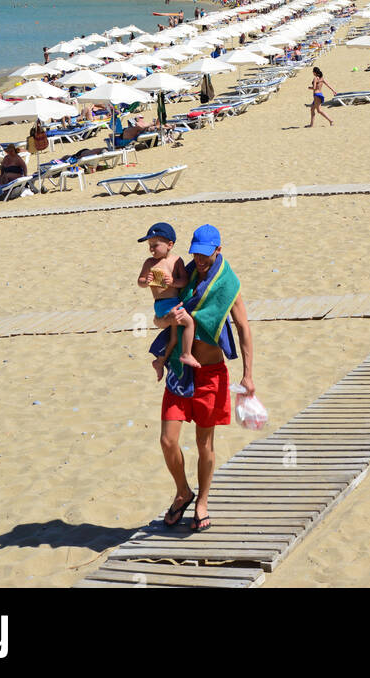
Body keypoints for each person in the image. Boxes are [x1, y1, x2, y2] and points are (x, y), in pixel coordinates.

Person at [156, 224, 254, 533]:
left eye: (205, 255)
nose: (199, 260)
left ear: (218, 251)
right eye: (195, 253)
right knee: (168, 440)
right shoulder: (182, 274)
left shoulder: (229, 285)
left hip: (210, 374)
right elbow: (158, 314)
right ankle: (183, 491)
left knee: (204, 444)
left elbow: (243, 329)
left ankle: (202, 502)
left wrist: (248, 375)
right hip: (179, 369)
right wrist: (166, 318)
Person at [137, 222, 198, 379]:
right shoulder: (149, 263)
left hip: (175, 300)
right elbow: (140, 281)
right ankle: (186, 354)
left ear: (170, 244)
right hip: (162, 304)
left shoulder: (177, 261)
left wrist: (173, 282)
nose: (151, 249)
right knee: (189, 322)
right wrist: (146, 281)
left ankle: (160, 361)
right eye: (149, 245)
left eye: (155, 245)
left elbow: (183, 281)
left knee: (174, 338)